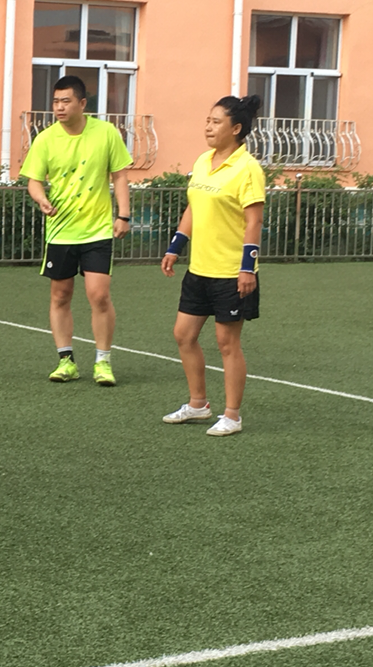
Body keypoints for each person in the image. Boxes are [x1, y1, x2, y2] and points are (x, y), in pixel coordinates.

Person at [160, 95, 265, 437]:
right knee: (183, 334)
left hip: (231, 272)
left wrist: (247, 268)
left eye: (216, 122)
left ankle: (232, 415)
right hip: (199, 269)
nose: (208, 127)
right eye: (208, 120)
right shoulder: (203, 161)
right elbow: (194, 207)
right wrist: (176, 247)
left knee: (226, 343)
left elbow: (254, 222)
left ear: (236, 129)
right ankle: (198, 404)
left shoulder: (248, 168)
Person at [19, 76, 132, 385]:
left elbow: (120, 176)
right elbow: (33, 180)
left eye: (66, 101)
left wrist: (123, 215)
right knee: (60, 295)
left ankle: (103, 362)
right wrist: (41, 198)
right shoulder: (45, 139)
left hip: (97, 230)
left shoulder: (106, 133)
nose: (59, 107)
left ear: (82, 103)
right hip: (60, 231)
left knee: (99, 295)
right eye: (56, 101)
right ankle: (65, 361)